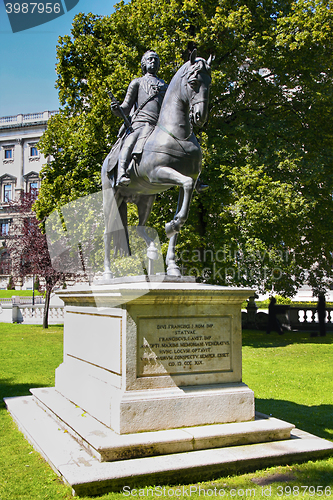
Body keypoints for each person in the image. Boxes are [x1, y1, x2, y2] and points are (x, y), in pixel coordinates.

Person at [110, 50, 168, 187]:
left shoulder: (165, 86)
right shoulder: (137, 83)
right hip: (141, 122)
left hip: (160, 126)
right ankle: (122, 173)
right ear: (144, 64)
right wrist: (117, 109)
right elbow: (125, 107)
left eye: (155, 59)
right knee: (130, 141)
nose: (153, 61)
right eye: (150, 59)